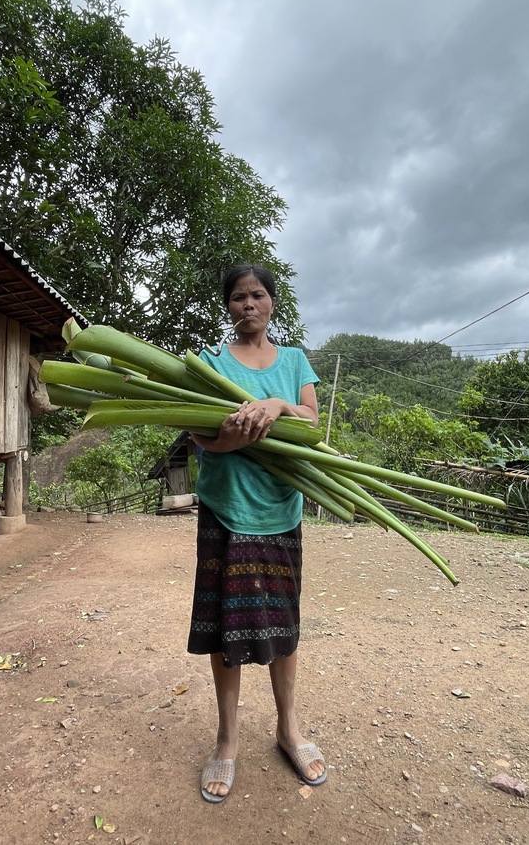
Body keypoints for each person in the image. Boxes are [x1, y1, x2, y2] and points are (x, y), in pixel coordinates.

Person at [187, 263, 327, 804]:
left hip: (280, 512)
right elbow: (200, 439)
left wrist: (276, 405)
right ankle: (226, 740)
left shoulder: (294, 361)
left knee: (283, 624)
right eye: (240, 297)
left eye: (259, 295)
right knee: (227, 629)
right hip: (226, 509)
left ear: (272, 302)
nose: (249, 304)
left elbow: (312, 423)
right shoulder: (209, 364)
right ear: (228, 306)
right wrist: (231, 438)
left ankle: (288, 730)